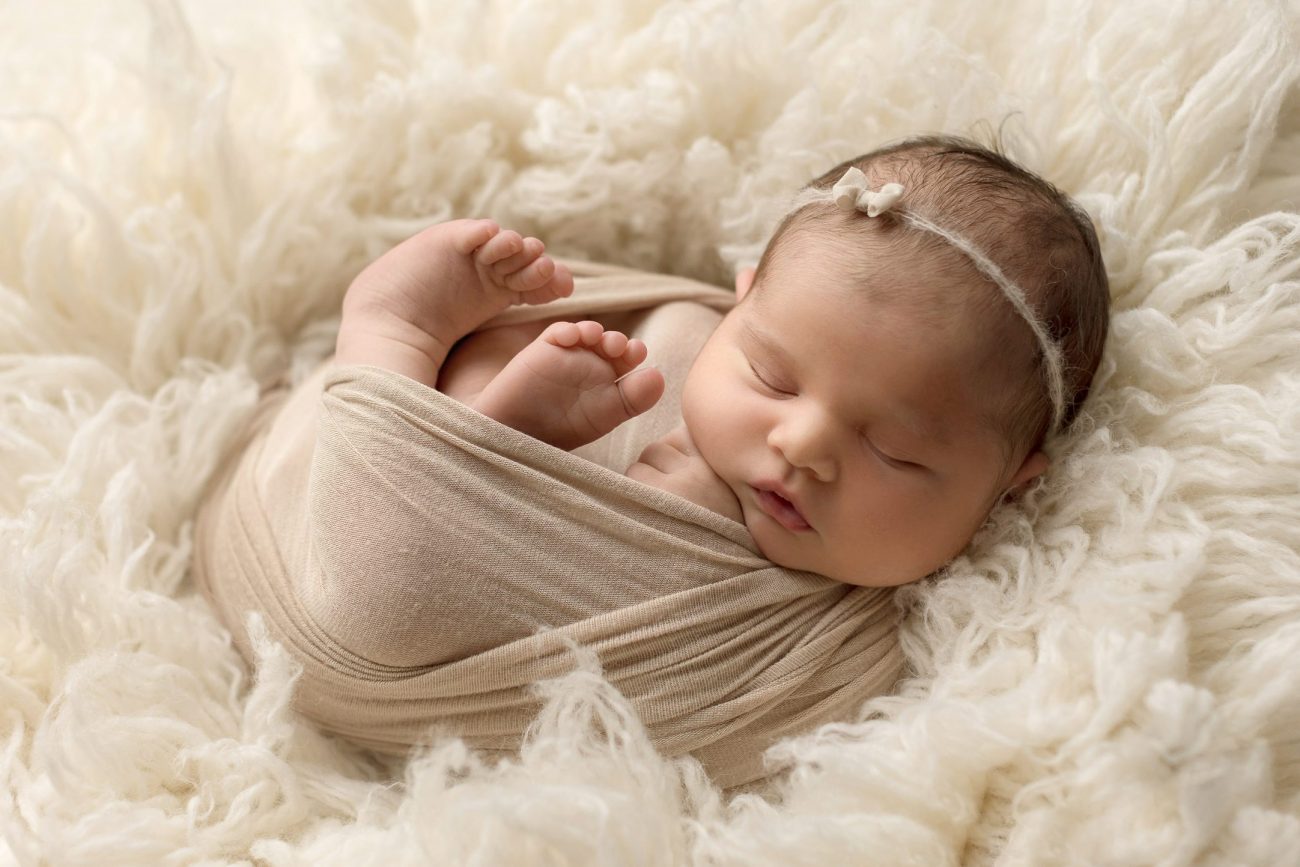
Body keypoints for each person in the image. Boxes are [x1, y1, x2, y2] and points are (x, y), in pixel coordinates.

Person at [334, 134, 1110, 588]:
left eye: (895, 450)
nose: (801, 443)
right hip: (364, 518)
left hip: (411, 614)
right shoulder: (659, 352)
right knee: (377, 574)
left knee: (386, 595)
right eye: (771, 375)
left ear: (1010, 486)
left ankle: (475, 449)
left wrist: (675, 555)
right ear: (741, 302)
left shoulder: (890, 629)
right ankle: (400, 344)